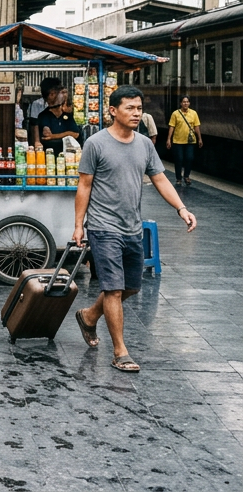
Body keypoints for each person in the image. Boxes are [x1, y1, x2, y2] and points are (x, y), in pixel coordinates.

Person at [73, 86, 196, 373]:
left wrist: (181, 208)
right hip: (103, 227)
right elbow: (85, 185)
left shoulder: (144, 145)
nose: (136, 113)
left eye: (139, 108)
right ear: (113, 111)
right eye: (130, 108)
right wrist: (79, 225)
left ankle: (89, 316)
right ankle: (120, 352)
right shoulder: (96, 144)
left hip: (132, 227)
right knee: (113, 289)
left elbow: (161, 180)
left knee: (131, 286)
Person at [166, 96, 202, 187]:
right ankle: (178, 178)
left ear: (189, 103)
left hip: (190, 141)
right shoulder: (175, 114)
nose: (185, 103)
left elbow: (196, 127)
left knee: (189, 158)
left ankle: (186, 176)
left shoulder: (194, 113)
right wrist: (169, 139)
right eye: (183, 102)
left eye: (187, 102)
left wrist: (199, 138)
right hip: (178, 141)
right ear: (180, 103)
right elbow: (171, 127)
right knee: (179, 159)